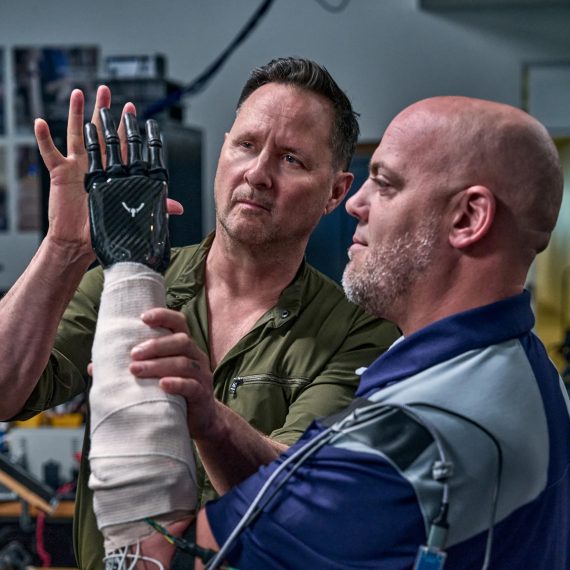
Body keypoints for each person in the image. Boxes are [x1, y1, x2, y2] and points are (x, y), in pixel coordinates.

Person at [0, 57, 398, 568]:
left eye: (292, 159)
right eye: (247, 146)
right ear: (223, 151)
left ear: (336, 192)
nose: (257, 173)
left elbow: (302, 492)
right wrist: (62, 248)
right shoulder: (125, 287)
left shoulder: (360, 329)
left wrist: (206, 414)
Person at [152, 95, 569, 568]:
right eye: (245, 145)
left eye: (385, 185)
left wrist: (112, 273)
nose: (354, 204)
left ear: (469, 218)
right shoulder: (531, 371)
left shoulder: (400, 450)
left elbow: (168, 558)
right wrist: (210, 422)